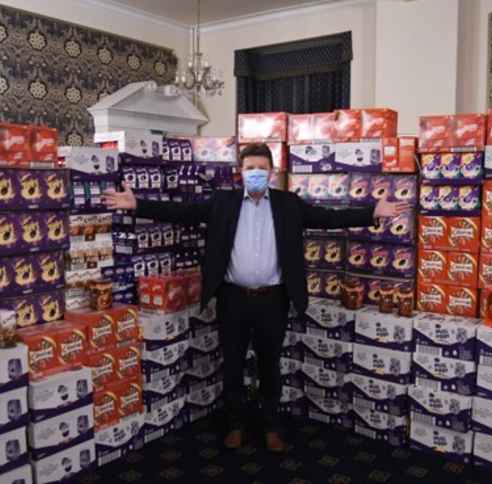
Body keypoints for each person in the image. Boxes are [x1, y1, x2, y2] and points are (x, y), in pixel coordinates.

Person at [104, 142, 411, 452]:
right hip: (232, 298)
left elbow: (327, 217)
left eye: (261, 169)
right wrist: (138, 204)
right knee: (233, 364)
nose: (255, 174)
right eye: (249, 168)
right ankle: (235, 424)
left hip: (273, 299)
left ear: (272, 172)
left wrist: (372, 211)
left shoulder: (288, 203)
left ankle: (271, 426)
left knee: (269, 365)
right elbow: (182, 212)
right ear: (240, 172)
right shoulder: (222, 202)